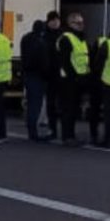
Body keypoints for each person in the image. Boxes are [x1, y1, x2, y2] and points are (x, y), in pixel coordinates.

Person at [57, 12, 94, 146]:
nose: (81, 25)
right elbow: (65, 61)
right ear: (70, 24)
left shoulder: (82, 40)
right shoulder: (66, 38)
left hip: (80, 79)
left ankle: (71, 135)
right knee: (68, 109)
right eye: (78, 23)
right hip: (68, 80)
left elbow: (85, 59)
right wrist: (74, 77)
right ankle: (67, 137)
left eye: (82, 22)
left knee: (74, 109)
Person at [19, 19, 49, 141]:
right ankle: (33, 133)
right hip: (38, 76)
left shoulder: (25, 39)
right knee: (36, 105)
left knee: (31, 103)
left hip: (27, 74)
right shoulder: (40, 42)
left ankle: (31, 130)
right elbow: (43, 61)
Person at [42, 11, 64, 140]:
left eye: (57, 20)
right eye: (53, 20)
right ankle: (52, 129)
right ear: (48, 21)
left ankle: (63, 131)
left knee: (61, 104)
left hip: (61, 74)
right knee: (51, 104)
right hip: (50, 75)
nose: (56, 22)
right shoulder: (44, 36)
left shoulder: (62, 35)